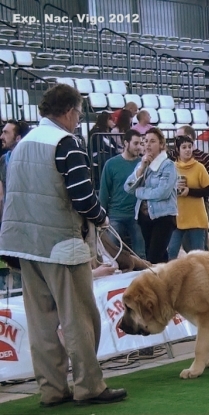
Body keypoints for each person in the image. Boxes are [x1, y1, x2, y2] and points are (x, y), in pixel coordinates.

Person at [0, 84, 127, 406]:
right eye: (78, 113)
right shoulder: (66, 143)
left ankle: (52, 390)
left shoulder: (22, 144)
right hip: (61, 244)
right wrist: (102, 220)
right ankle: (89, 386)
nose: (78, 120)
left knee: (42, 324)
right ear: (70, 111)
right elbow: (83, 199)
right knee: (79, 320)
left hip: (24, 246)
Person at [124, 127, 178, 264]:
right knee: (156, 255)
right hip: (144, 217)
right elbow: (127, 187)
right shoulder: (143, 163)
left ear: (161, 144)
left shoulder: (168, 165)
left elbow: (162, 192)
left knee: (154, 257)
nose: (147, 144)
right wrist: (141, 167)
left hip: (163, 217)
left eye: (152, 141)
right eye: (145, 141)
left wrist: (140, 192)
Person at [99, 129, 146, 259]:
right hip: (116, 214)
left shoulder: (143, 164)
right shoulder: (111, 164)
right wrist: (101, 217)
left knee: (141, 253)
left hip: (136, 215)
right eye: (136, 143)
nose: (139, 147)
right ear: (126, 143)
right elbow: (104, 191)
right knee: (110, 253)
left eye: (141, 144)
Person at [167, 135, 209, 260]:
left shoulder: (199, 167)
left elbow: (208, 190)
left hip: (196, 218)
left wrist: (189, 191)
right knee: (171, 250)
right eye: (184, 147)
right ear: (178, 150)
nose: (187, 150)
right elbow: (165, 190)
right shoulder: (171, 168)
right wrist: (174, 188)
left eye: (190, 147)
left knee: (197, 255)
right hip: (177, 218)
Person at [0, 120, 30, 295]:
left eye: (6, 133)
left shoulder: (28, 159)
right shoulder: (3, 160)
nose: (1, 137)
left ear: (18, 137)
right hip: (10, 220)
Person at [177, 125, 209, 191]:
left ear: (189, 137)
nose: (177, 140)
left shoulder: (206, 158)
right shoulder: (172, 157)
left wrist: (195, 191)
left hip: (200, 199)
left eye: (179, 137)